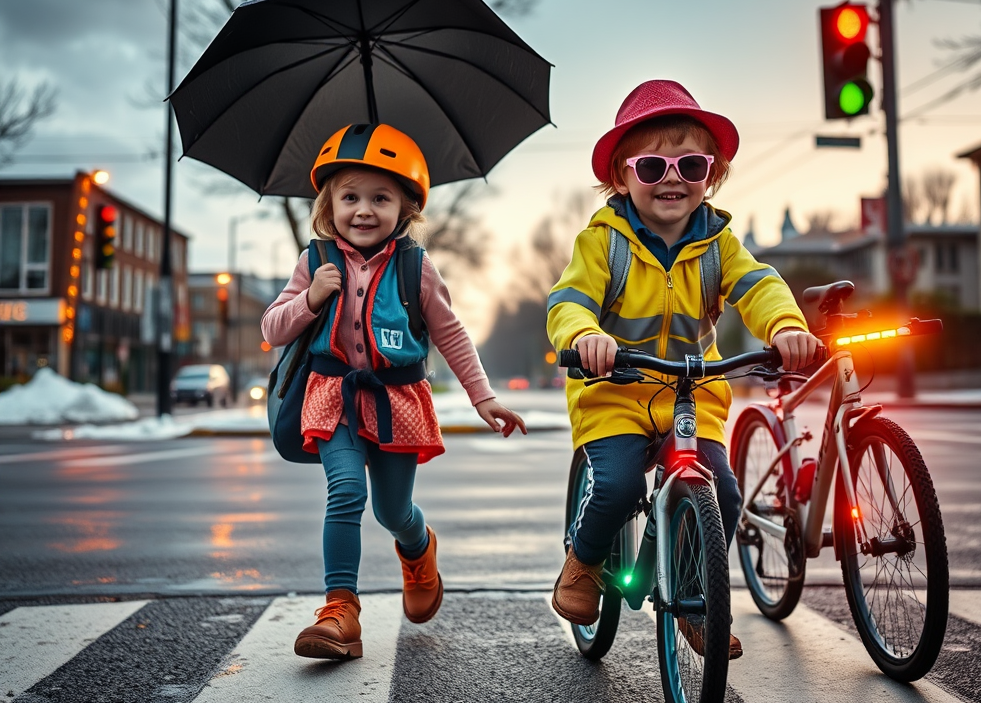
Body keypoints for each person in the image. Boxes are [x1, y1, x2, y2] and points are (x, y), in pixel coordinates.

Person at [546, 80, 822, 659]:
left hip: (690, 396)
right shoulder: (604, 243)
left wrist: (785, 328)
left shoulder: (720, 243)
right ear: (622, 177)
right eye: (652, 166)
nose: (672, 177)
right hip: (615, 391)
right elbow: (568, 301)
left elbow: (760, 285)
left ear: (712, 175)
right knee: (618, 485)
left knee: (721, 489)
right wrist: (585, 335)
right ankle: (584, 562)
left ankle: (696, 602)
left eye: (690, 163)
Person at [262, 123, 527, 661]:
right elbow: (272, 329)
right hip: (331, 397)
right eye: (350, 196)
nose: (363, 209)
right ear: (328, 204)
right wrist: (310, 299)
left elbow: (451, 333)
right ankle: (341, 610)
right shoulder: (314, 263)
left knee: (392, 509)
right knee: (345, 494)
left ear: (405, 208)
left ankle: (418, 546)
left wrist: (484, 398)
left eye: (380, 197)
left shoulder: (415, 267)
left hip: (395, 403)